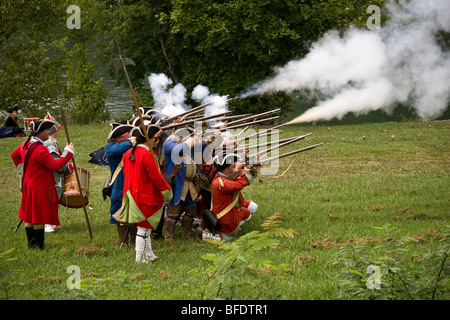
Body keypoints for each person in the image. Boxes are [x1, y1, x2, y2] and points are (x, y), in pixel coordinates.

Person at [17, 119, 74, 249]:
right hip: (40, 186)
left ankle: (31, 244)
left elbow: (14, 155)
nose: (49, 132)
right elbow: (56, 165)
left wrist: (22, 170)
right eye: (47, 130)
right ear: (40, 133)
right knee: (38, 216)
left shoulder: (25, 144)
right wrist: (68, 153)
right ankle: (39, 245)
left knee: (29, 216)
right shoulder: (40, 150)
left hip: (28, 184)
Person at [121, 124, 172, 263]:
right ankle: (140, 258)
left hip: (132, 194)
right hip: (145, 195)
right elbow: (156, 177)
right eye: (154, 139)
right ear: (148, 139)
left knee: (145, 228)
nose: (156, 142)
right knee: (143, 229)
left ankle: (149, 255)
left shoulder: (128, 153)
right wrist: (167, 192)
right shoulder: (146, 155)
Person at [208, 151, 259, 241]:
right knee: (247, 214)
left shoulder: (220, 175)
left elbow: (237, 173)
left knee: (252, 208)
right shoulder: (221, 182)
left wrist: (251, 166)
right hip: (225, 216)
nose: (234, 166)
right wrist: (249, 172)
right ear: (226, 168)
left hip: (227, 207)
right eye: (232, 165)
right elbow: (238, 184)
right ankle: (222, 235)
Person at [163, 126, 201, 242]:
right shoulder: (169, 144)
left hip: (190, 184)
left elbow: (203, 147)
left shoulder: (187, 146)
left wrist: (212, 139)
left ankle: (187, 235)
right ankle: (169, 237)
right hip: (177, 184)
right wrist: (190, 140)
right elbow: (179, 150)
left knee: (191, 210)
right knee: (173, 213)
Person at [105, 122, 136, 246]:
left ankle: (134, 240)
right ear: (118, 138)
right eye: (126, 135)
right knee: (119, 211)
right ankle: (123, 241)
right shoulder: (110, 147)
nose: (129, 136)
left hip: (131, 180)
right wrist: (132, 140)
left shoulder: (127, 144)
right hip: (119, 182)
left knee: (134, 210)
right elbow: (120, 149)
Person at [43, 113, 73, 233]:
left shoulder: (51, 142)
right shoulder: (50, 144)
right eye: (57, 129)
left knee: (54, 199)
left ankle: (53, 222)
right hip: (52, 177)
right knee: (52, 199)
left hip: (52, 176)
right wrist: (69, 167)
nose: (59, 131)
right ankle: (48, 224)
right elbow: (56, 165)